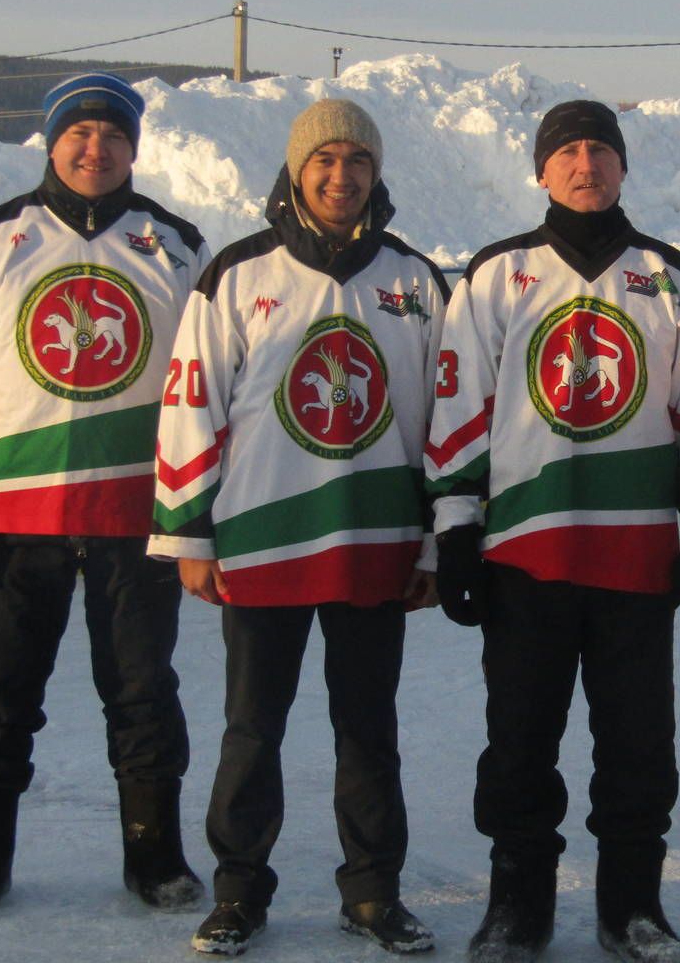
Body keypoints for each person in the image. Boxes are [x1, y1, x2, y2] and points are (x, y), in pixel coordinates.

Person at [0, 71, 210, 919]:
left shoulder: (177, 244)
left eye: (113, 134)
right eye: (79, 132)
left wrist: (203, 504)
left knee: (143, 691)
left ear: (134, 148)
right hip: (15, 516)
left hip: (134, 518)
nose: (95, 147)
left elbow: (210, 383)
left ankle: (155, 855)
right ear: (51, 142)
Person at [148, 98, 447, 957]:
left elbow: (447, 420)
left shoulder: (416, 281)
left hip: (373, 540)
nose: (341, 177)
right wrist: (190, 535)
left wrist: (433, 543)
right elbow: (190, 403)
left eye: (357, 161)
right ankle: (239, 891)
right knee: (254, 727)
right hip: (261, 540)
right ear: (296, 170)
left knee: (368, 728)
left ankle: (373, 893)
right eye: (325, 161)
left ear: (376, 173)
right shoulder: (238, 274)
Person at [424, 99, 680, 963]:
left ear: (624, 168)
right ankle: (519, 905)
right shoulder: (496, 275)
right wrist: (454, 530)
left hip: (635, 558)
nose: (585, 163)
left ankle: (633, 907)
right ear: (541, 172)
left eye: (600, 149)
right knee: (519, 743)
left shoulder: (673, 278)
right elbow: (458, 409)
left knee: (638, 747)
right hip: (526, 558)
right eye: (567, 152)